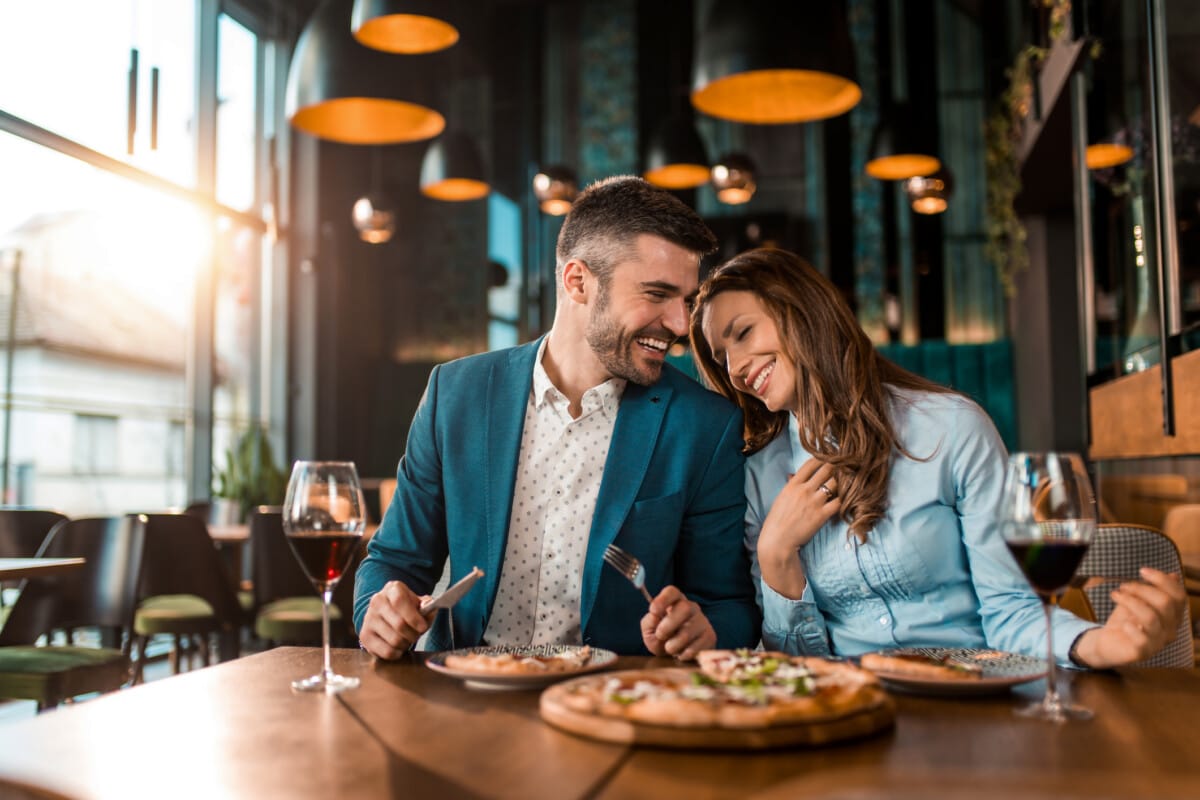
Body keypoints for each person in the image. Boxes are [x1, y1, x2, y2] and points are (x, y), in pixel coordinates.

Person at [690, 247, 1185, 668]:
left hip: (975, 702)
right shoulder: (757, 476)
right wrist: (776, 554)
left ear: (800, 311)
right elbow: (799, 667)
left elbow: (1011, 610)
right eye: (720, 356)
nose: (733, 369)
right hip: (853, 716)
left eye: (742, 333)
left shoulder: (950, 428)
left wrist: (1101, 644)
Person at [355, 176, 760, 660]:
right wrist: (377, 610)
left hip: (610, 703)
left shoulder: (705, 426)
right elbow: (393, 561)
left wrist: (706, 630)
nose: (678, 324)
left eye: (686, 301)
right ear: (578, 281)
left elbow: (730, 607)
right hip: (465, 692)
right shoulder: (455, 394)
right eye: (656, 294)